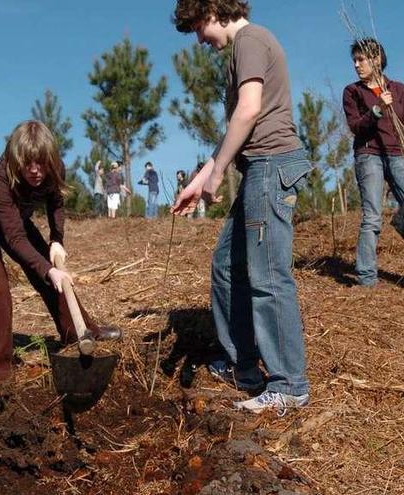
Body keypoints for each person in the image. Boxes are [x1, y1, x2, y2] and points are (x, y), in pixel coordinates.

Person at [172, 0, 312, 415]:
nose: (199, 38)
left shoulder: (250, 40)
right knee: (226, 267)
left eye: (197, 26)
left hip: (271, 167)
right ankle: (244, 367)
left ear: (214, 9)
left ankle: (288, 384)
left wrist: (218, 176)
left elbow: (248, 110)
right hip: (259, 170)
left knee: (268, 275)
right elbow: (237, 124)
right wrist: (201, 180)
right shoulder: (243, 47)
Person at [0, 120, 120, 391]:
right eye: (27, 164)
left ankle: (82, 333)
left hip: (15, 222)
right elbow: (14, 238)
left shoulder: (54, 168)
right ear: (15, 159)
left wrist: (57, 239)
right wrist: (48, 268)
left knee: (53, 278)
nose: (35, 171)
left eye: (41, 163)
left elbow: (56, 202)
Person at [342, 38, 404, 287]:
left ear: (376, 59)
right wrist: (377, 110)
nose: (356, 64)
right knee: (372, 217)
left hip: (398, 155)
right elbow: (356, 127)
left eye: (361, 59)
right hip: (369, 156)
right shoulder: (352, 92)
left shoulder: (398, 90)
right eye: (354, 60)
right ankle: (367, 279)